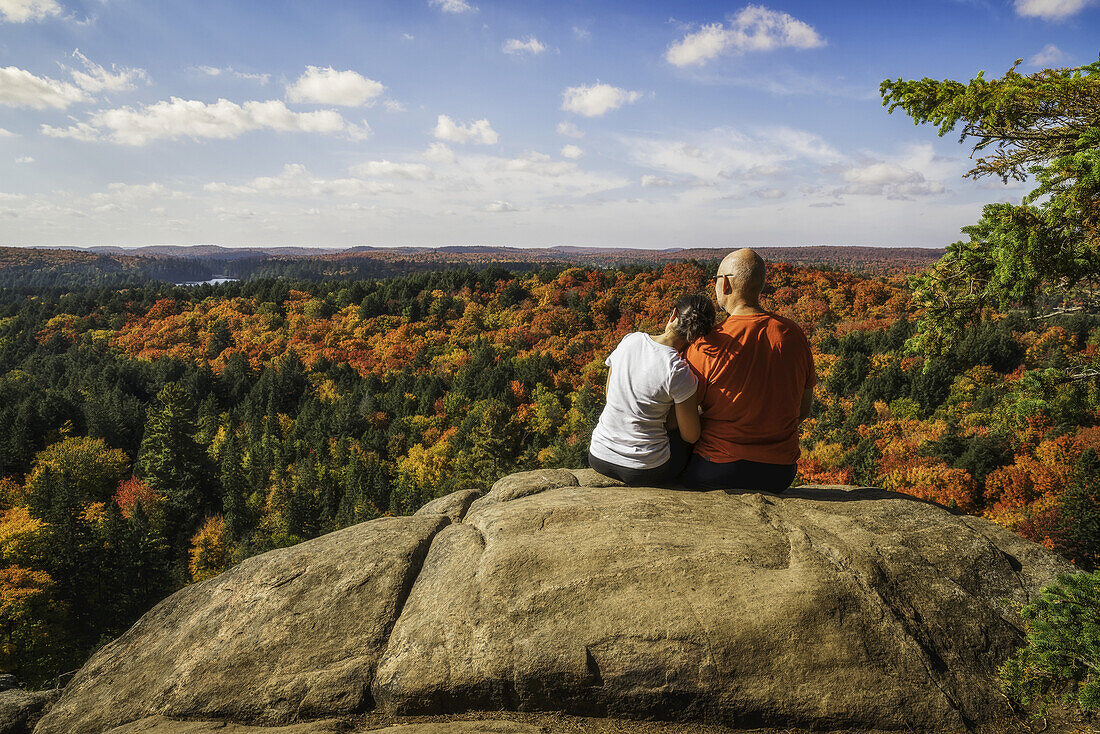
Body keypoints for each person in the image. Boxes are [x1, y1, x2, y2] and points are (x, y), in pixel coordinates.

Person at [681, 249, 816, 492]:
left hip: (716, 468)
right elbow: (803, 410)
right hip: (779, 473)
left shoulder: (708, 343)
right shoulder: (794, 335)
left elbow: (684, 418)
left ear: (725, 285)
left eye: (716, 279)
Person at [587, 295, 715, 486]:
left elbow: (609, 394)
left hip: (598, 455)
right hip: (645, 469)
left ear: (673, 315)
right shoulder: (679, 371)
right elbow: (690, 435)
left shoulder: (630, 340)